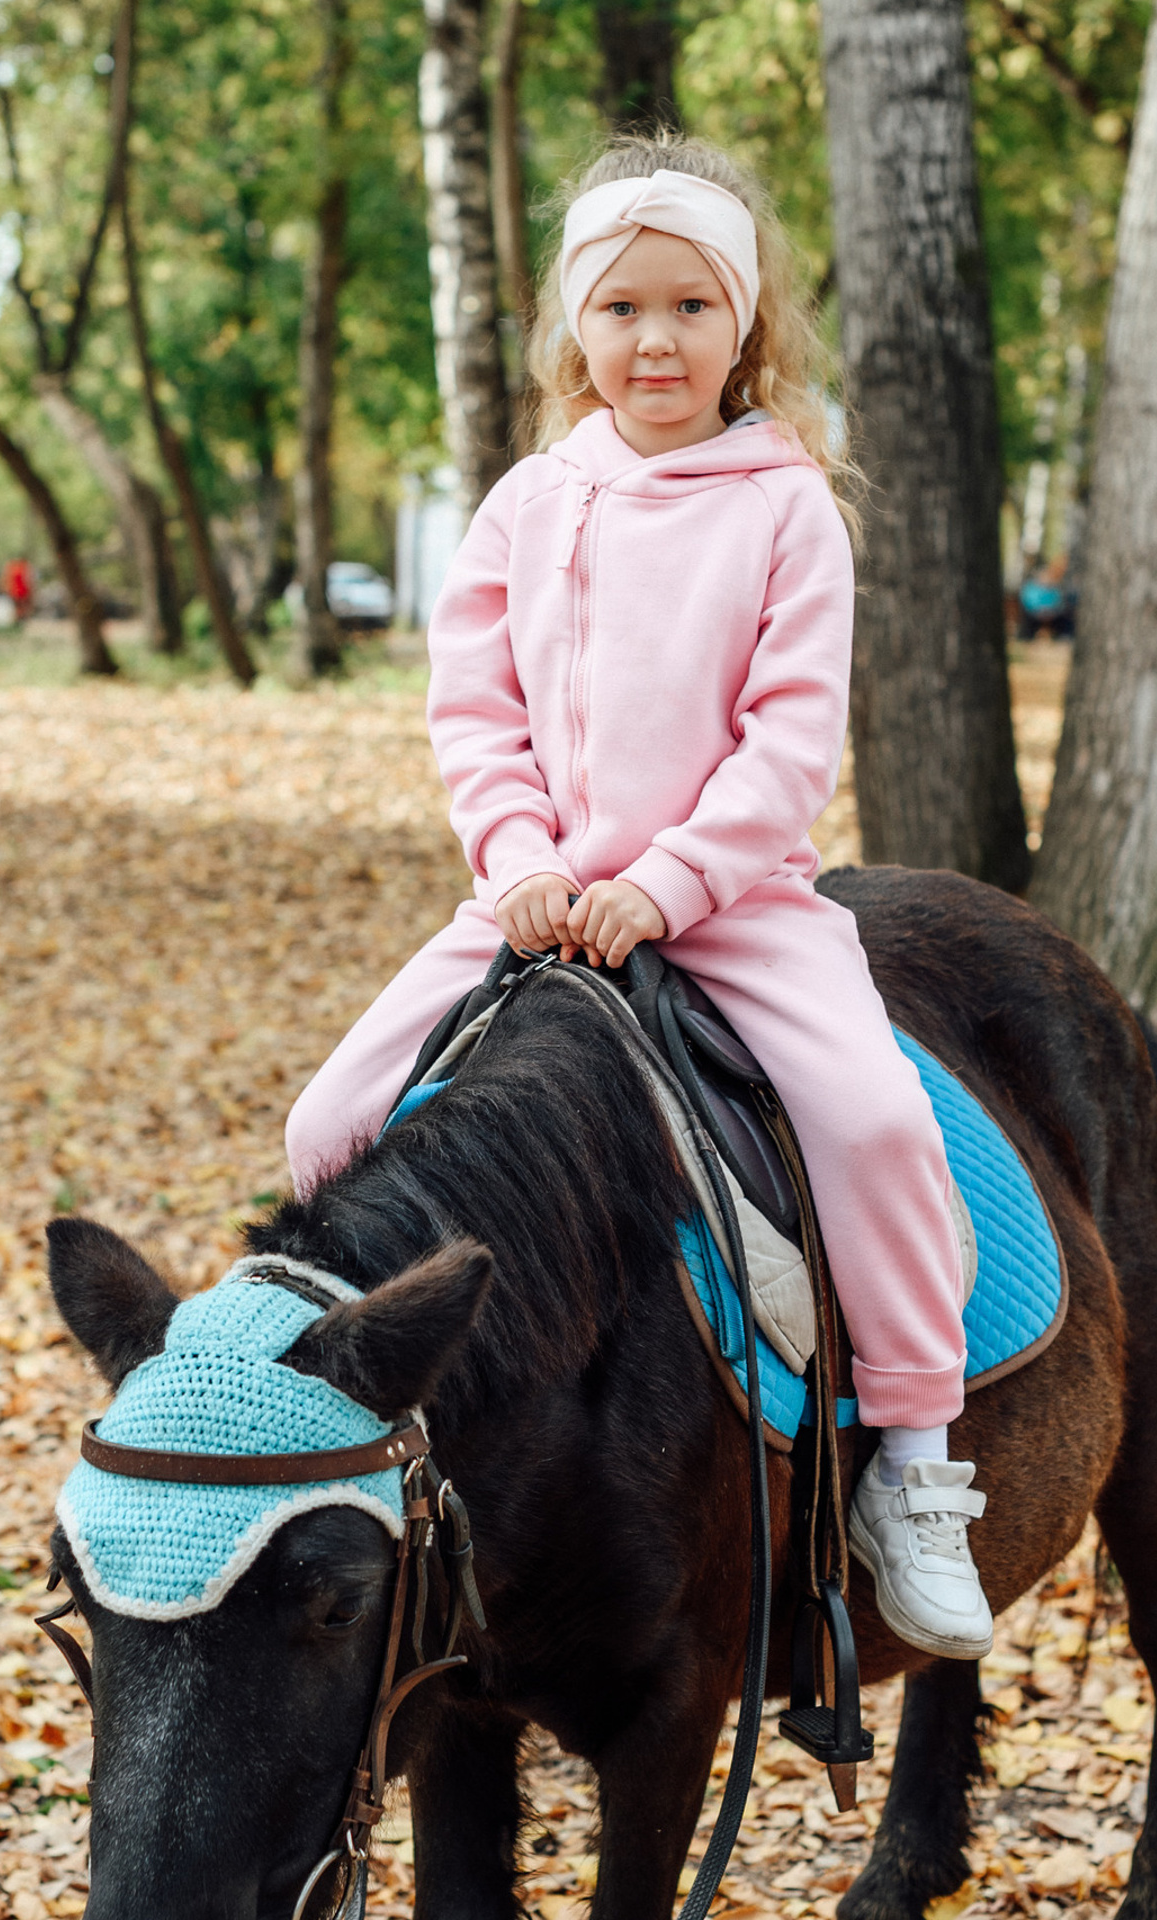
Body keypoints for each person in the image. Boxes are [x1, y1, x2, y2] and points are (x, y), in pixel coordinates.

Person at [285, 135, 990, 1660]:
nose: (654, 340)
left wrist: (667, 885)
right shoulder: (528, 505)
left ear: (746, 326)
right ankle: (356, 1437)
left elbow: (788, 743)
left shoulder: (788, 509)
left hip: (738, 909)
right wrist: (522, 865)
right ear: (572, 329)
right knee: (326, 1126)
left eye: (689, 306)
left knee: (875, 1124)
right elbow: (477, 717)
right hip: (530, 905)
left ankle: (917, 1459)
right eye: (620, 308)